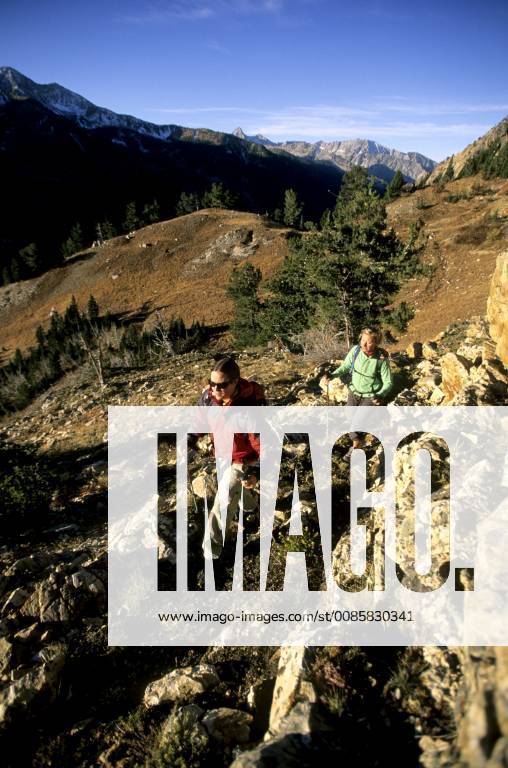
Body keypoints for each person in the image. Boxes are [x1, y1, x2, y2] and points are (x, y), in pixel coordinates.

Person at [196, 357, 266, 559]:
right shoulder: (208, 398)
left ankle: (211, 552)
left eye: (222, 385)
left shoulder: (249, 408)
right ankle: (251, 507)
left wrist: (256, 471)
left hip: (244, 459)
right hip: (222, 454)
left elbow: (262, 441)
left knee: (224, 500)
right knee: (235, 490)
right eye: (212, 383)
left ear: (235, 382)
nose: (215, 389)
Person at [323, 328, 393, 456]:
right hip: (353, 391)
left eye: (369, 342)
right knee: (350, 417)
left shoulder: (381, 359)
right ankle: (361, 434)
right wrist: (332, 375)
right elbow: (345, 366)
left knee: (356, 422)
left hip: (370, 396)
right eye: (363, 340)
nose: (365, 345)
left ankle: (356, 446)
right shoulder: (355, 351)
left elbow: (388, 382)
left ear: (376, 343)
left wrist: (380, 395)